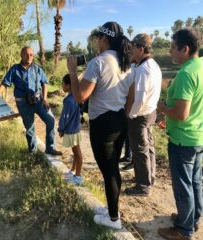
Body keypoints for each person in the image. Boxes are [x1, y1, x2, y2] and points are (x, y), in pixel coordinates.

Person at [67, 21, 132, 229]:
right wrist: (124, 115)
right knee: (112, 169)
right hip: (120, 120)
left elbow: (80, 97)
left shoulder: (99, 62)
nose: (96, 41)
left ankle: (113, 219)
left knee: (109, 171)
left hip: (102, 124)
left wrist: (71, 70)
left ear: (104, 39)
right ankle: (111, 209)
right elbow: (131, 95)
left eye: (97, 37)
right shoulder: (125, 62)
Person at [157, 28, 203, 240]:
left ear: (185, 49)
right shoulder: (200, 66)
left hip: (183, 139)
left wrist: (163, 108)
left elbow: (181, 113)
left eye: (173, 47)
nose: (170, 51)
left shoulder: (186, 73)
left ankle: (184, 231)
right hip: (197, 136)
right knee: (194, 182)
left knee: (183, 186)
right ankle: (191, 219)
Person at [0, 46, 62, 156]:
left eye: (31, 54)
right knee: (30, 128)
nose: (29, 56)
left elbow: (44, 83)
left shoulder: (37, 68)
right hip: (23, 103)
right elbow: (5, 84)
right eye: (26, 54)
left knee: (51, 121)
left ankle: (50, 148)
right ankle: (33, 152)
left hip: (39, 101)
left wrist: (44, 99)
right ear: (21, 55)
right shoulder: (15, 69)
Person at [124, 33, 162, 196]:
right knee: (149, 147)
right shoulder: (153, 65)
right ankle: (149, 177)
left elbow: (139, 99)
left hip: (140, 115)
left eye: (133, 48)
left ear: (141, 49)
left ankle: (143, 185)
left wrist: (130, 114)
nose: (131, 51)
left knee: (139, 150)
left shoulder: (142, 70)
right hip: (151, 112)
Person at [58, 74, 83, 185]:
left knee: (77, 153)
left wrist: (61, 129)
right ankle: (73, 170)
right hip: (75, 128)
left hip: (71, 130)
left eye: (63, 83)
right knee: (75, 152)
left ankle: (78, 177)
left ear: (68, 85)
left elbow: (65, 117)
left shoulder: (68, 100)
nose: (62, 86)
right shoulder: (77, 97)